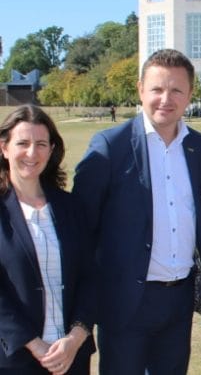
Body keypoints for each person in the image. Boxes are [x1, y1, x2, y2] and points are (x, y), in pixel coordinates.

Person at [72, 49, 201, 375]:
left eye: (177, 90)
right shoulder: (110, 146)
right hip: (125, 301)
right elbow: (82, 227)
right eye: (157, 89)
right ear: (140, 90)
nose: (166, 98)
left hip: (178, 300)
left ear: (190, 94)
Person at [0, 105, 95, 374]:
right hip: (15, 358)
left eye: (41, 144)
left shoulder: (71, 207)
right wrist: (35, 345)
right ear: (4, 148)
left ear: (51, 150)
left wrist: (75, 338)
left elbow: (90, 276)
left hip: (72, 357)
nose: (32, 153)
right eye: (23, 143)